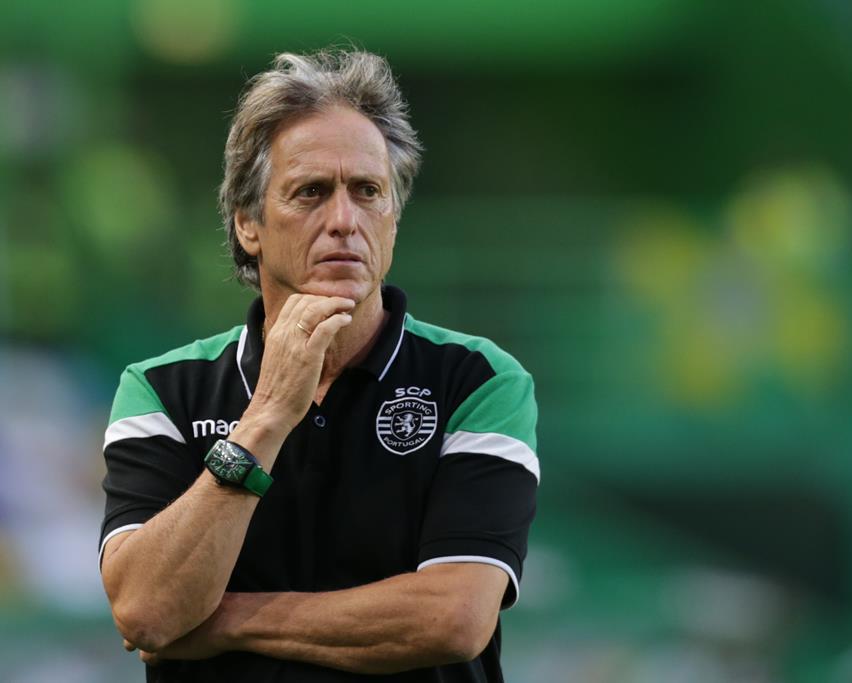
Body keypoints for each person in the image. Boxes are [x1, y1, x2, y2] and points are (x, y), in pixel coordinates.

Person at [98, 49, 539, 683]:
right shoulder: (162, 389)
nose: (343, 221)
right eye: (311, 193)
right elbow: (146, 611)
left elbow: (455, 618)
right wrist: (267, 416)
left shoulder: (480, 379)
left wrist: (225, 622)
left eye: (368, 192)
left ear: (393, 220)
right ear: (248, 224)